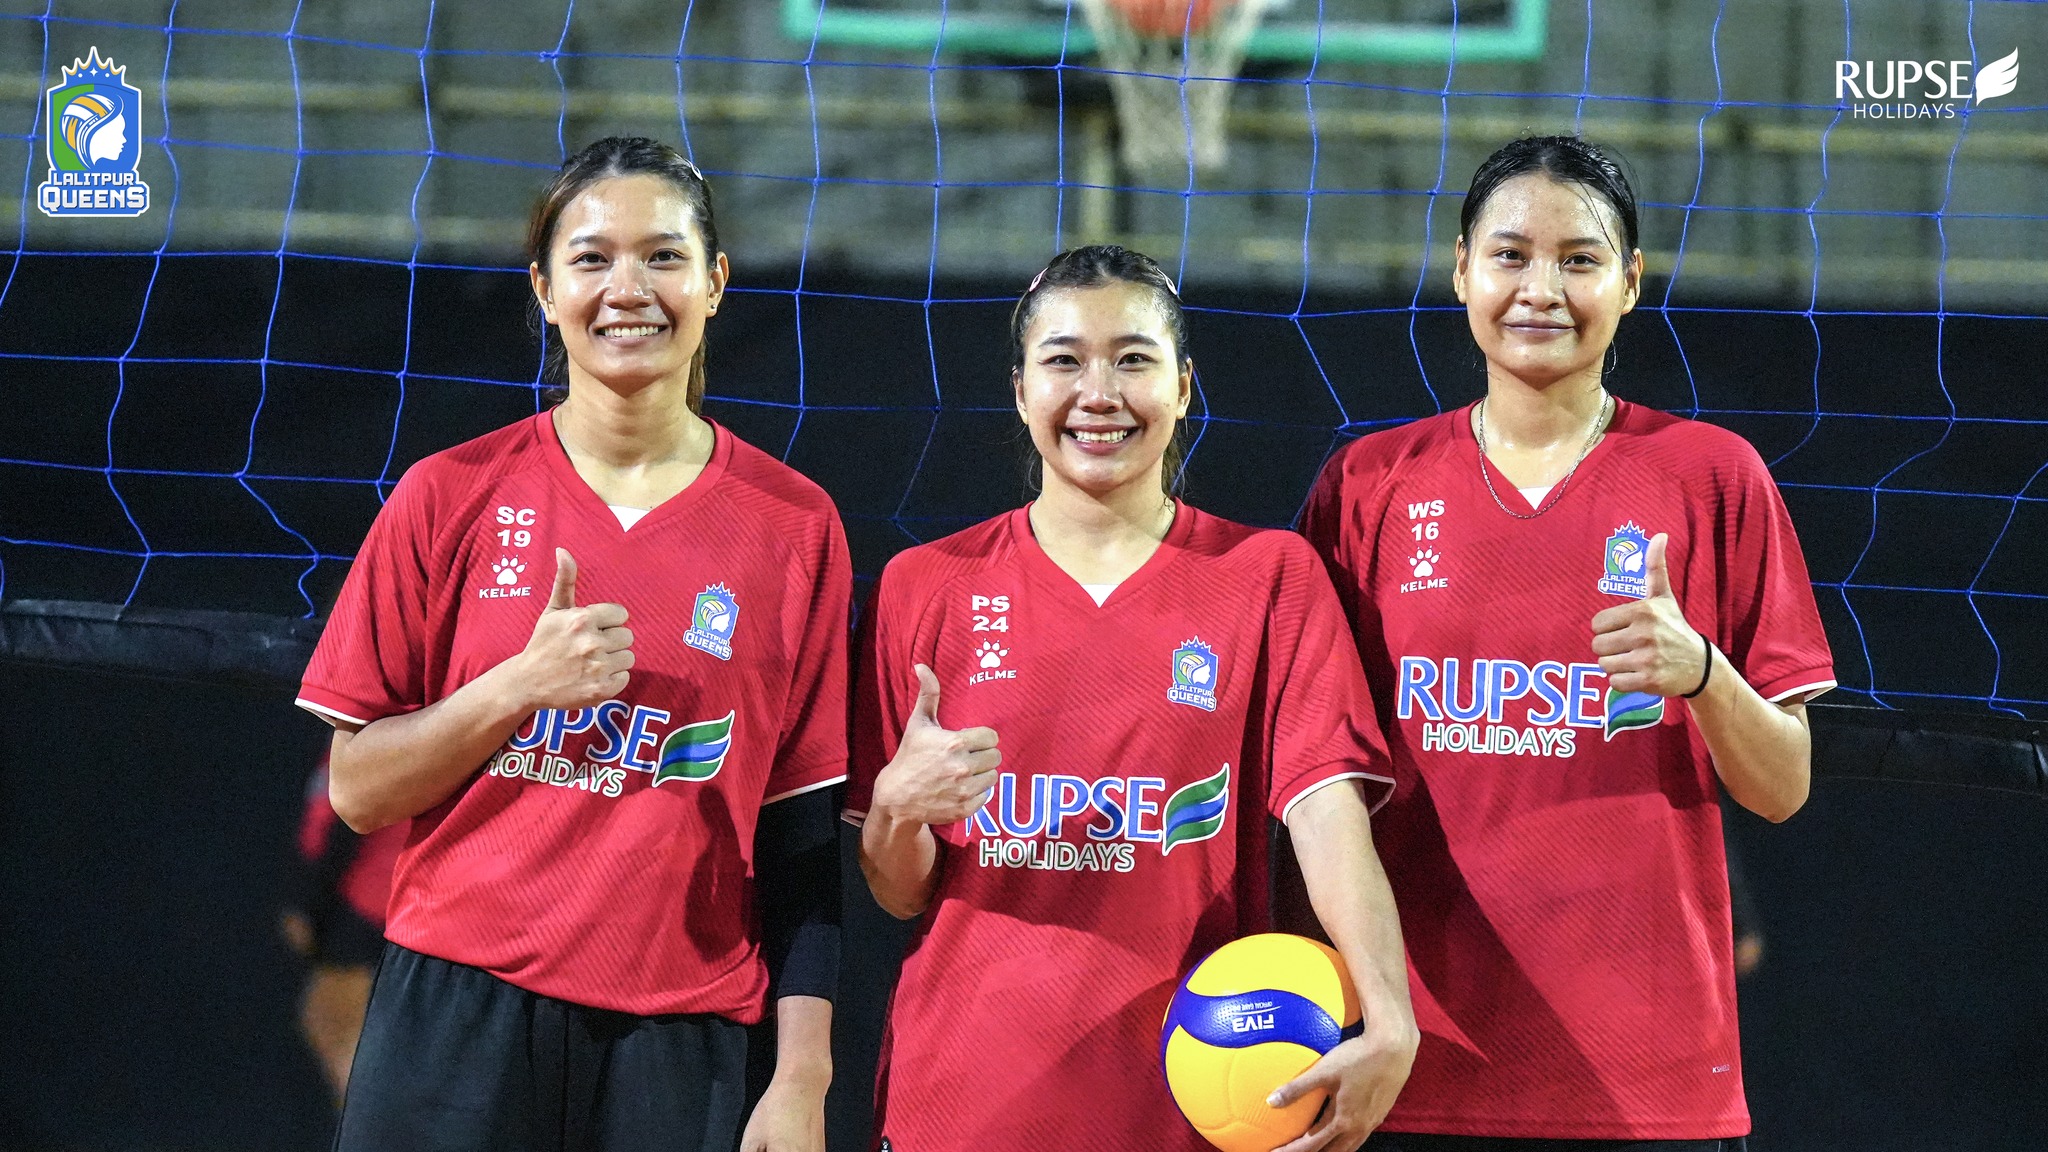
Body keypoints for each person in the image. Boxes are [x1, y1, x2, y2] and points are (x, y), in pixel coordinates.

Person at [294, 136, 848, 1152]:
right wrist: (515, 687)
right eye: (592, 259)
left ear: (715, 282)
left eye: (663, 256)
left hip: (676, 1036)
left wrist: (802, 1075)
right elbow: (360, 790)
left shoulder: (795, 525)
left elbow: (801, 844)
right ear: (545, 290)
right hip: (454, 1013)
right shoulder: (447, 494)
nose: (627, 289)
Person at [1300, 135, 1836, 1151]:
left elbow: (1783, 788)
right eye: (1509, 256)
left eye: (1578, 260)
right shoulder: (1366, 486)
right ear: (1461, 269)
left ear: (1629, 282)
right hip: (1413, 1067)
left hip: (1647, 1080)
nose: (1539, 289)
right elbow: (1313, 785)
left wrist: (1703, 674)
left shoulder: (1713, 477)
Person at [847, 245, 1420, 1152]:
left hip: (1192, 1106)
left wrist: (1390, 1012)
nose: (1099, 393)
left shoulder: (1268, 577)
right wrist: (897, 809)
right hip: (965, 1101)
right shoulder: (926, 586)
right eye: (1065, 361)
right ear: (1021, 391)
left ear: (1184, 386)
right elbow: (899, 892)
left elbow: (1328, 820)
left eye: (1133, 359)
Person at [280, 749, 406, 1109]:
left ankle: (372, 1128)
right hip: (397, 905)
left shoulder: (370, 732)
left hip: (367, 904)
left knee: (339, 1023)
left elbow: (346, 819)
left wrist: (309, 906)